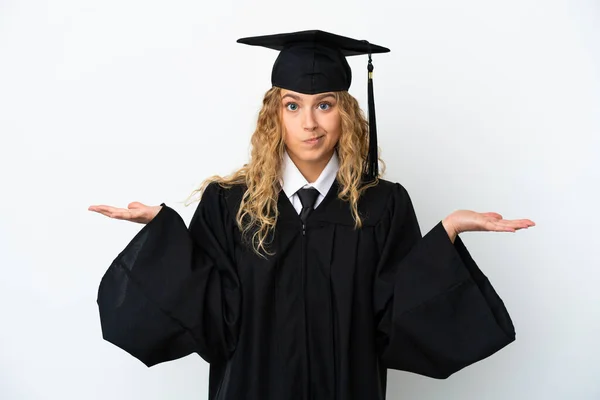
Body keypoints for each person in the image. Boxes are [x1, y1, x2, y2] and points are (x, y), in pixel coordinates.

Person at [89, 30, 535, 400]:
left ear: (346, 113)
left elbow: (396, 318)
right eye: (292, 105)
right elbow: (210, 316)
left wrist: (447, 235)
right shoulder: (230, 205)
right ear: (274, 114)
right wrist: (165, 237)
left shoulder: (383, 205)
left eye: (324, 104)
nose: (309, 123)